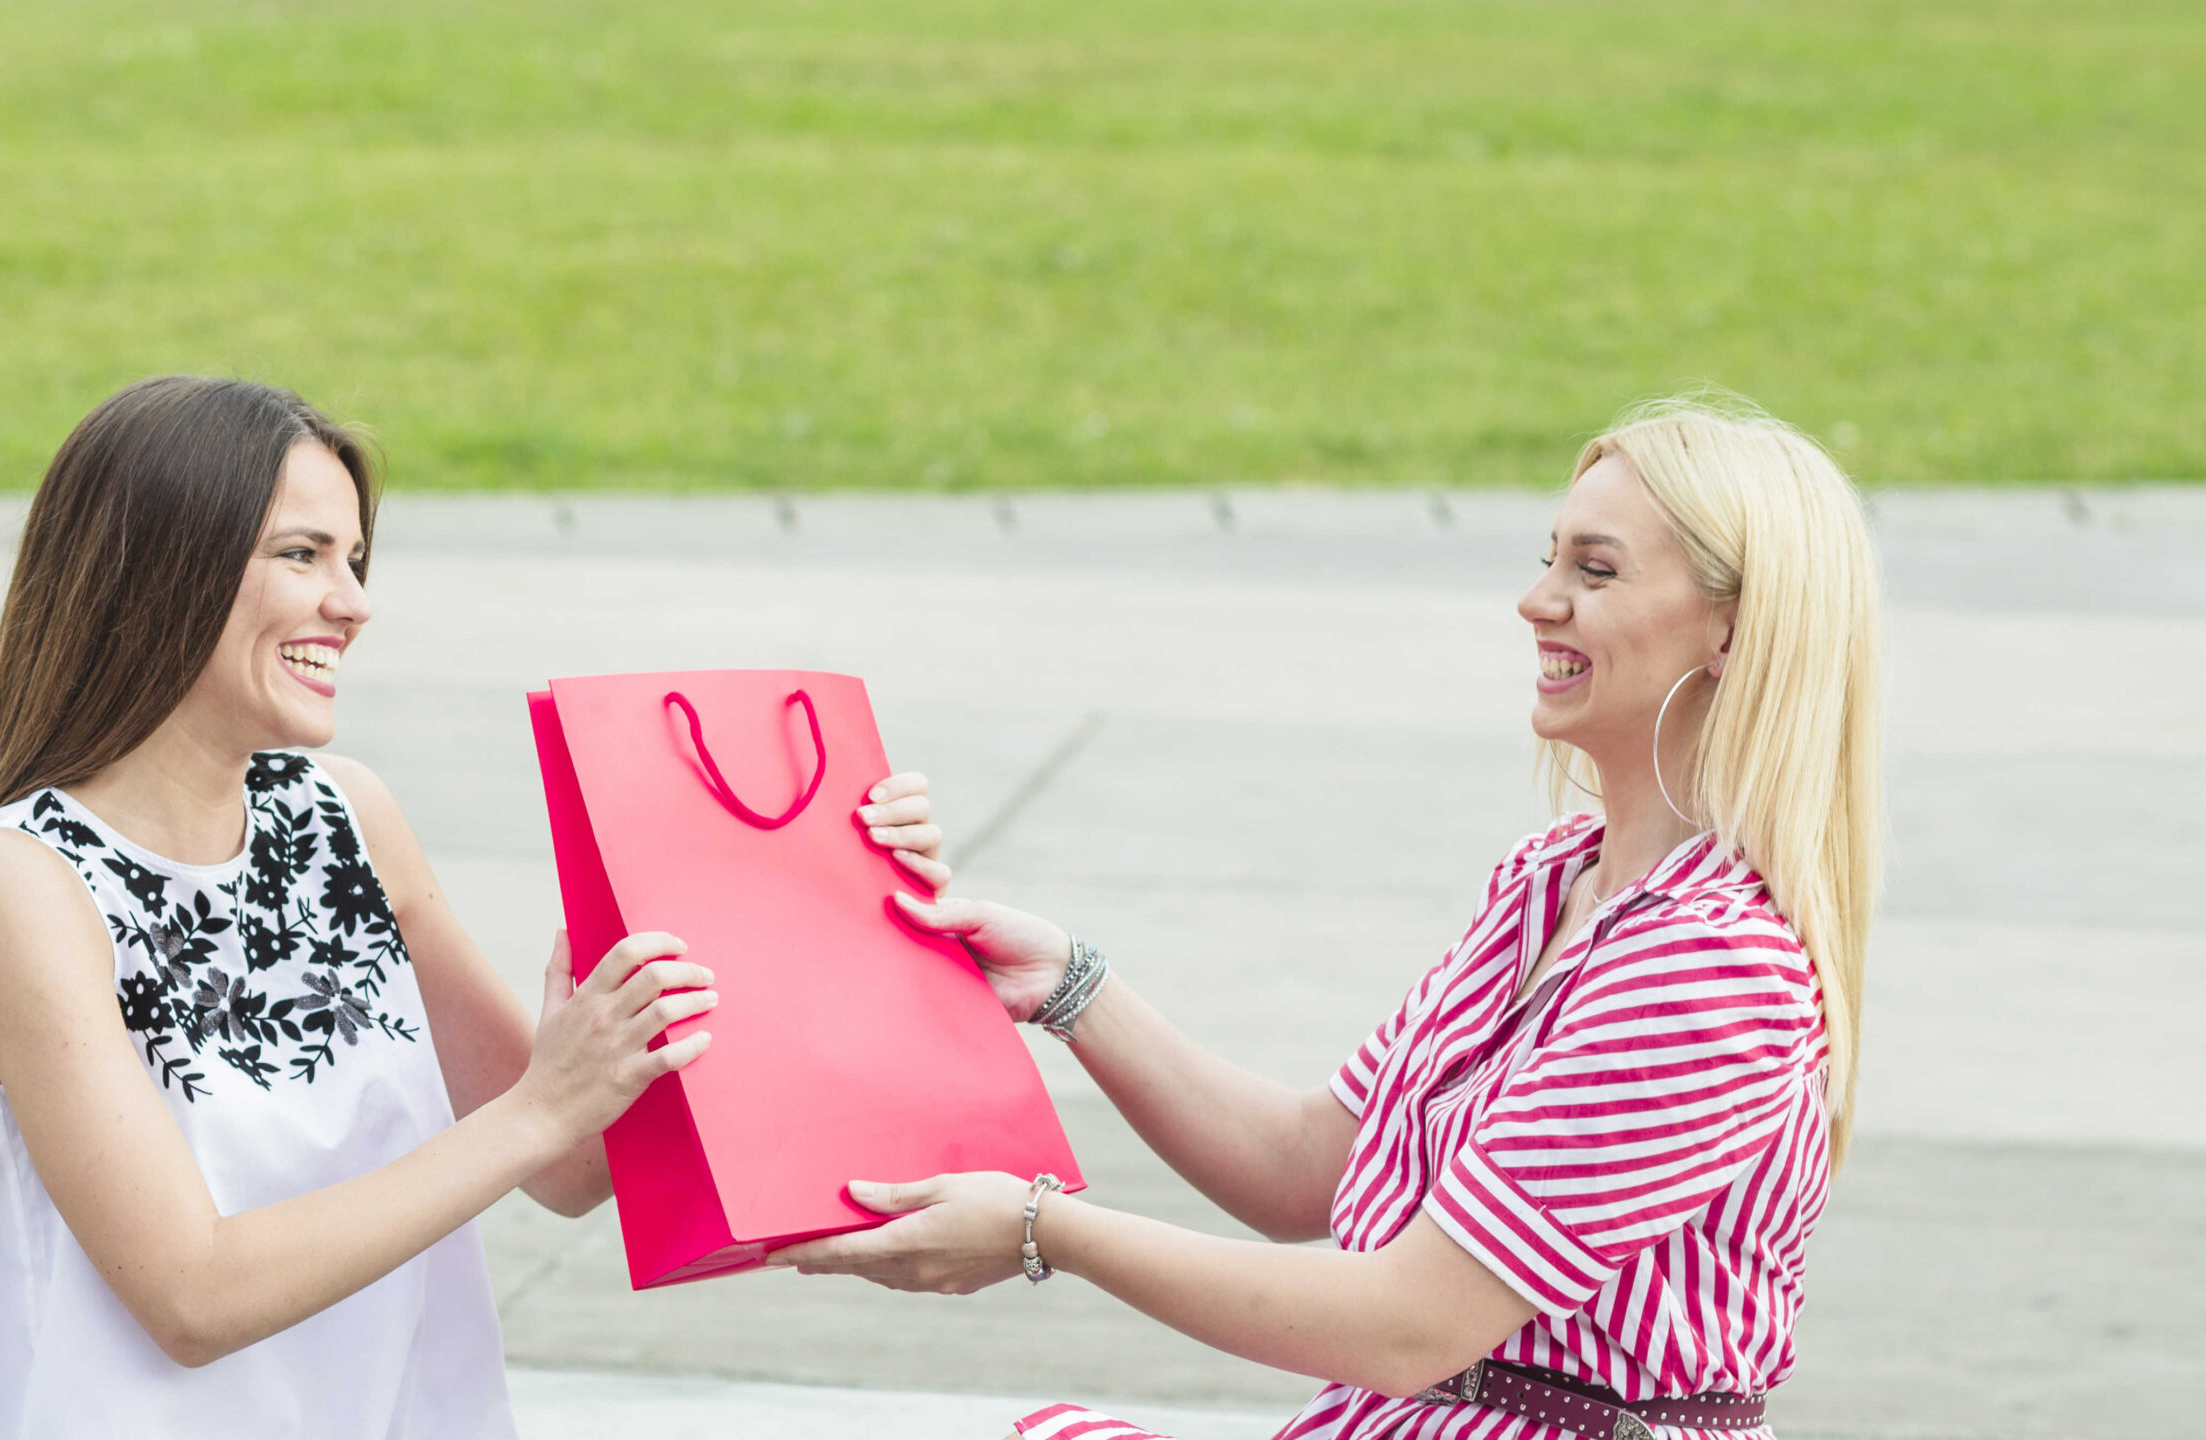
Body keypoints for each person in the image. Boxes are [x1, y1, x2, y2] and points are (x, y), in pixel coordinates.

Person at [775, 396, 1881, 1440]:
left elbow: (1409, 1325)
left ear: (1731, 633)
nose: (1536, 601)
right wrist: (1069, 986)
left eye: (1593, 571)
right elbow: (1311, 1167)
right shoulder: (1550, 885)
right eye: (1547, 558)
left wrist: (1041, 1228)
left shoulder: (1710, 968)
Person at [0, 375, 945, 1437]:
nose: (353, 601)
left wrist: (810, 886)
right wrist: (541, 1106)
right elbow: (191, 1295)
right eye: (301, 555)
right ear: (160, 568)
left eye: (355, 559)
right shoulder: (19, 887)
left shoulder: (343, 817)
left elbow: (569, 1165)